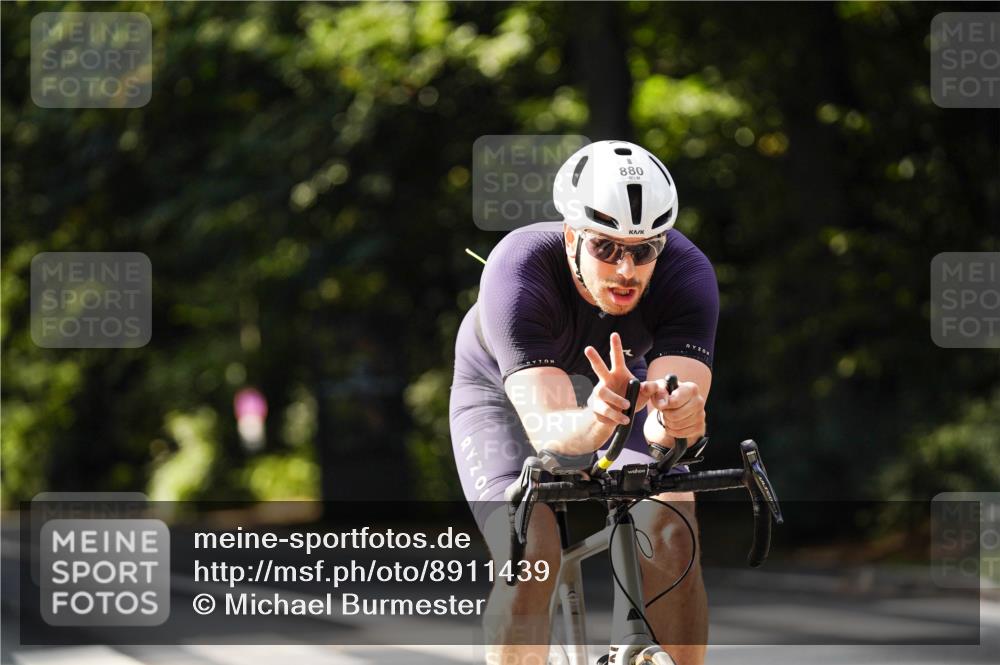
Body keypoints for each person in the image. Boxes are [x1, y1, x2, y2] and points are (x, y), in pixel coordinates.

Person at [450, 140, 719, 665]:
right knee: (529, 547)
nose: (626, 269)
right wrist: (595, 417)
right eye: (606, 247)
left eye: (644, 250)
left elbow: (671, 430)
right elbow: (550, 430)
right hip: (504, 397)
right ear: (572, 236)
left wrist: (676, 418)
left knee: (672, 522)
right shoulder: (518, 269)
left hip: (621, 385)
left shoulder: (687, 274)